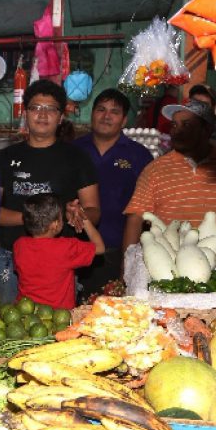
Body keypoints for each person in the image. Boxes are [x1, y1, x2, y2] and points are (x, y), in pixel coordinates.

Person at [0, 79, 100, 305]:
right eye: (35, 108)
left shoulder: (77, 159)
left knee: (58, 330)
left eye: (50, 109)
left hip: (59, 262)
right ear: (26, 113)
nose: (42, 115)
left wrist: (77, 215)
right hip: (11, 259)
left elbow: (94, 210)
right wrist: (37, 218)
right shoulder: (5, 158)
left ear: (61, 117)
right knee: (12, 330)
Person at [123, 99, 216, 248]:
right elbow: (135, 218)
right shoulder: (155, 170)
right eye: (174, 125)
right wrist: (127, 266)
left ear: (207, 130)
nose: (177, 130)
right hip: (167, 263)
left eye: (186, 125)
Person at [74, 88, 152, 295]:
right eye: (101, 109)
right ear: (92, 115)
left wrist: (128, 264)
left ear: (124, 120)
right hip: (75, 250)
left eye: (114, 112)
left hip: (119, 252)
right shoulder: (72, 151)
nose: (106, 116)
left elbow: (145, 211)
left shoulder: (139, 156)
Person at [14, 193, 105, 309]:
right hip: (57, 318)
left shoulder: (19, 245)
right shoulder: (66, 247)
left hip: (26, 313)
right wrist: (82, 217)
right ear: (55, 224)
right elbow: (100, 248)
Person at [188, 83, 216, 150]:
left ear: (213, 107)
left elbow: (204, 153)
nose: (198, 107)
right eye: (195, 102)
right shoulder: (189, 124)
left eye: (204, 104)